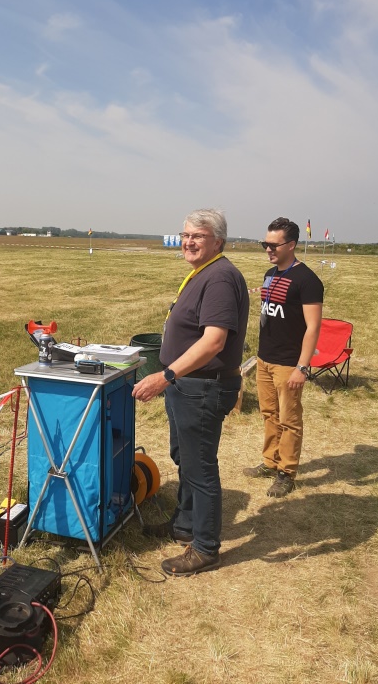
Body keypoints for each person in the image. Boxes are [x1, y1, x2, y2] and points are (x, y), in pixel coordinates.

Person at [133, 209, 248, 576]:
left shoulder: (220, 278)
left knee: (200, 467)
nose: (188, 242)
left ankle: (205, 548)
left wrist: (166, 375)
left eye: (198, 236)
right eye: (185, 235)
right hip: (187, 385)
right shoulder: (204, 272)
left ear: (218, 241)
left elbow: (214, 342)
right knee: (185, 457)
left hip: (202, 387)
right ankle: (184, 525)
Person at [243, 217, 324, 497]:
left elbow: (313, 327)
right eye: (265, 244)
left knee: (289, 420)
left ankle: (286, 472)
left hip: (289, 362)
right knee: (269, 414)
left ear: (291, 245)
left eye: (273, 245)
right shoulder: (270, 274)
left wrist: (302, 367)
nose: (268, 249)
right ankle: (270, 461)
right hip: (265, 358)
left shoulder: (307, 280)